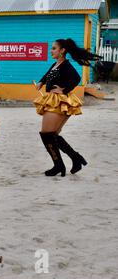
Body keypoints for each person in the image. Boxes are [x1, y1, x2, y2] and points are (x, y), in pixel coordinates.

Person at [34, 38, 99, 177]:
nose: (51, 51)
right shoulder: (56, 64)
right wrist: (41, 82)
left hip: (59, 101)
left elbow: (76, 78)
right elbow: (48, 75)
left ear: (62, 50)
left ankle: (59, 165)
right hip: (53, 99)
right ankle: (75, 159)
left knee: (47, 134)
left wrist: (63, 90)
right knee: (52, 136)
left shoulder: (66, 65)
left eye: (54, 48)